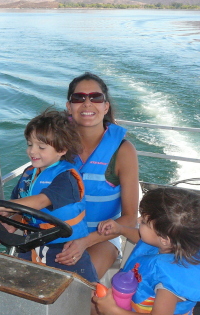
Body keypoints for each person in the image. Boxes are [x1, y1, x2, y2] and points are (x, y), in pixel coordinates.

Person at [0, 109, 98, 283]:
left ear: (62, 149)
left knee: (88, 294)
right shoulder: (29, 174)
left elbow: (40, 201)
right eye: (29, 144)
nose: (32, 151)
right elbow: (19, 206)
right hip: (32, 242)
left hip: (65, 249)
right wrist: (5, 222)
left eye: (41, 147)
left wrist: (0, 204)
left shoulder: (67, 179)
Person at [92, 187, 200, 315]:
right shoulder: (176, 243)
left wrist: (113, 311)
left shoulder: (169, 285)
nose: (138, 220)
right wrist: (122, 229)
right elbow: (146, 241)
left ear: (164, 239)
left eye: (143, 221)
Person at [55, 72, 140, 279]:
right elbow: (35, 188)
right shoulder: (55, 144)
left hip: (102, 238)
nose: (87, 103)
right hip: (54, 230)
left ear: (105, 106)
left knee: (76, 285)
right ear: (69, 106)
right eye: (78, 98)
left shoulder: (123, 151)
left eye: (95, 97)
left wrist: (85, 241)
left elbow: (129, 218)